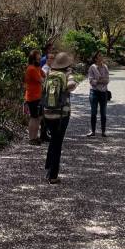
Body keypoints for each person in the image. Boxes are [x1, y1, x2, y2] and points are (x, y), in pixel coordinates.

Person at [42, 52, 77, 184]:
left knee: (53, 140)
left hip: (47, 112)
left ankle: (48, 166)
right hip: (62, 113)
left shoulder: (50, 73)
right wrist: (66, 87)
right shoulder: (67, 74)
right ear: (67, 63)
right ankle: (53, 175)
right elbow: (72, 86)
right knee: (57, 143)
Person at [87, 51, 110, 137]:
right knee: (93, 112)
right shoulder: (92, 67)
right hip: (94, 92)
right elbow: (91, 81)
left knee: (103, 113)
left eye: (101, 55)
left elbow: (107, 80)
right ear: (96, 58)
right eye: (99, 56)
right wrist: (100, 80)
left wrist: (99, 81)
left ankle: (103, 131)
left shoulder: (105, 67)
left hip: (104, 92)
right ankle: (93, 131)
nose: (101, 57)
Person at [24, 49, 44, 144]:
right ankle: (32, 138)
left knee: (38, 117)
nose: (40, 59)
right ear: (33, 58)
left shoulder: (37, 68)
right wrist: (43, 78)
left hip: (37, 96)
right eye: (38, 57)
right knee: (34, 117)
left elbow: (44, 74)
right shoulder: (31, 68)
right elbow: (41, 80)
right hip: (33, 97)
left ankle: (35, 137)